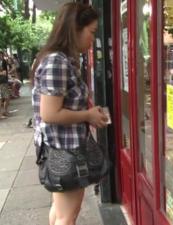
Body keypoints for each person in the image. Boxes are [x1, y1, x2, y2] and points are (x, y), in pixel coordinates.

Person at [31, 3, 108, 225]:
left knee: (59, 210)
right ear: (74, 28)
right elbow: (50, 113)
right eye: (91, 32)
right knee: (67, 216)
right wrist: (88, 115)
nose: (93, 40)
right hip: (65, 151)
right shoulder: (57, 61)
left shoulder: (58, 59)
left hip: (60, 150)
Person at [0, 51, 10, 118]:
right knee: (3, 98)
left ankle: (4, 111)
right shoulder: (3, 62)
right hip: (2, 81)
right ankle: (3, 112)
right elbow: (3, 73)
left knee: (6, 97)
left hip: (3, 81)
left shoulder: (3, 62)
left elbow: (4, 73)